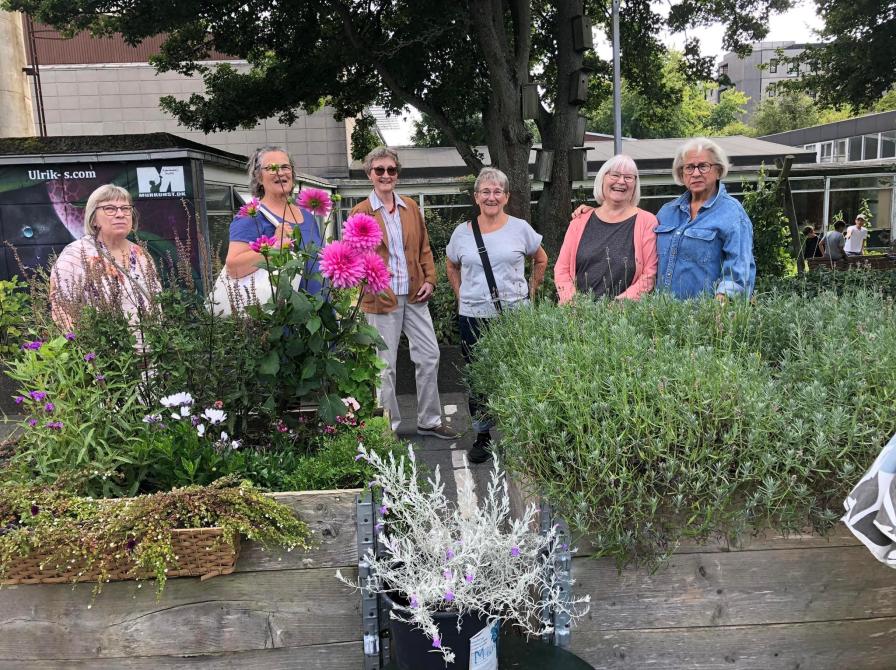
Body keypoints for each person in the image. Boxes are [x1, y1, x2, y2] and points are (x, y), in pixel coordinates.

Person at [351, 147, 458, 439]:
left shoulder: (410, 206)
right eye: (379, 170)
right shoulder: (361, 212)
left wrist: (431, 280)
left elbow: (424, 248)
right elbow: (354, 257)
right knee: (384, 366)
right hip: (380, 299)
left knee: (429, 354)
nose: (386, 175)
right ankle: (388, 428)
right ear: (369, 174)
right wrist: (372, 285)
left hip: (413, 295)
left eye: (391, 170)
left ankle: (429, 420)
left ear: (398, 173)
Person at [446, 167, 548, 463]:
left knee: (520, 374)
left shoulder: (520, 228)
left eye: (497, 191)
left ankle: (522, 434)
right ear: (476, 197)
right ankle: (483, 435)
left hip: (514, 316)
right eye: (486, 192)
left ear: (506, 197)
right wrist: (460, 294)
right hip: (473, 316)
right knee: (478, 378)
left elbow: (540, 259)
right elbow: (451, 265)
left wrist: (530, 292)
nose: (492, 197)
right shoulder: (462, 233)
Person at [654, 138, 756, 300]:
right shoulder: (667, 213)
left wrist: (716, 312)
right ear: (682, 173)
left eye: (703, 166)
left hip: (706, 317)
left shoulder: (732, 213)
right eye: (689, 167)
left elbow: (738, 274)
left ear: (718, 170)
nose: (695, 173)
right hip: (661, 318)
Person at [50, 184, 159, 331]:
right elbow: (61, 310)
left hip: (151, 350)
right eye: (110, 209)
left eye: (125, 209)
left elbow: (157, 305)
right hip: (102, 351)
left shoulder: (141, 254)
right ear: (93, 219)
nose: (120, 214)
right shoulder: (75, 254)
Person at [225, 146, 323, 296]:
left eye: (285, 167)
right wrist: (276, 245)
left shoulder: (308, 216)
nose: (280, 172)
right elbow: (233, 268)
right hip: (283, 314)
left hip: (320, 311)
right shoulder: (251, 216)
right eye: (272, 168)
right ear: (259, 177)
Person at [557, 155, 657, 303]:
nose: (621, 181)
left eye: (628, 177)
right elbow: (562, 270)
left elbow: (649, 274)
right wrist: (574, 303)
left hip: (625, 317)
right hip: (576, 314)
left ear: (635, 184)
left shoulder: (647, 222)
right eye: (615, 175)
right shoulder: (579, 221)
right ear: (602, 179)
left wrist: (618, 305)